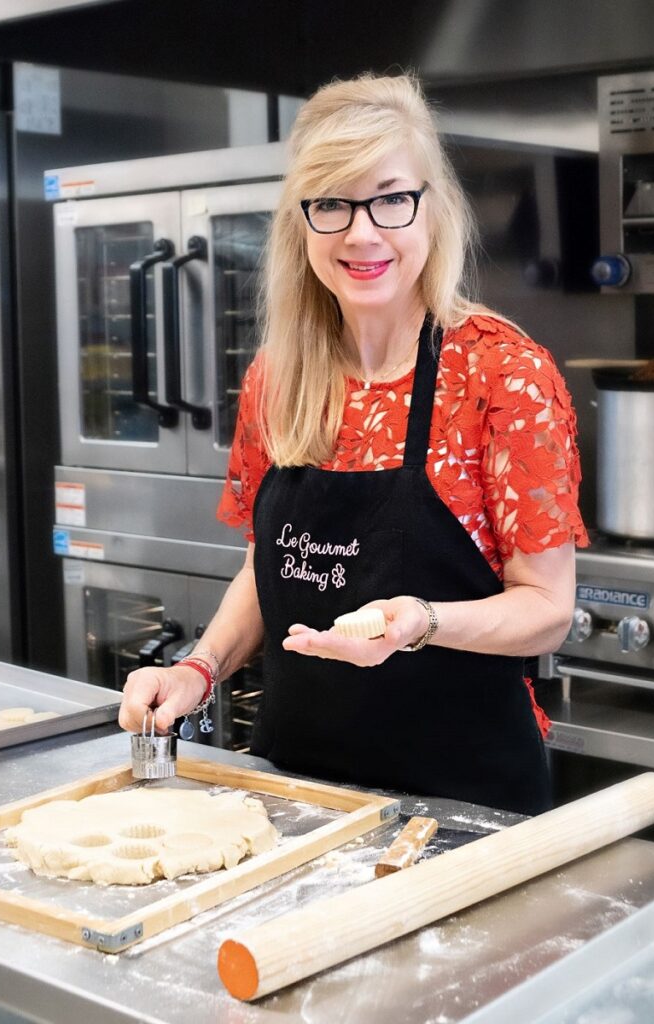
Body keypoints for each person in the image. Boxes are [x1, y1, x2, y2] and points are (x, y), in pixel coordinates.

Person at [119, 73, 588, 815]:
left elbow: (548, 606)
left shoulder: (500, 374)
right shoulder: (279, 377)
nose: (362, 232)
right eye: (332, 202)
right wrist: (199, 669)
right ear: (301, 221)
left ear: (432, 208)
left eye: (390, 198)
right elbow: (263, 571)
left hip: (466, 805)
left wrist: (420, 623)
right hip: (300, 790)